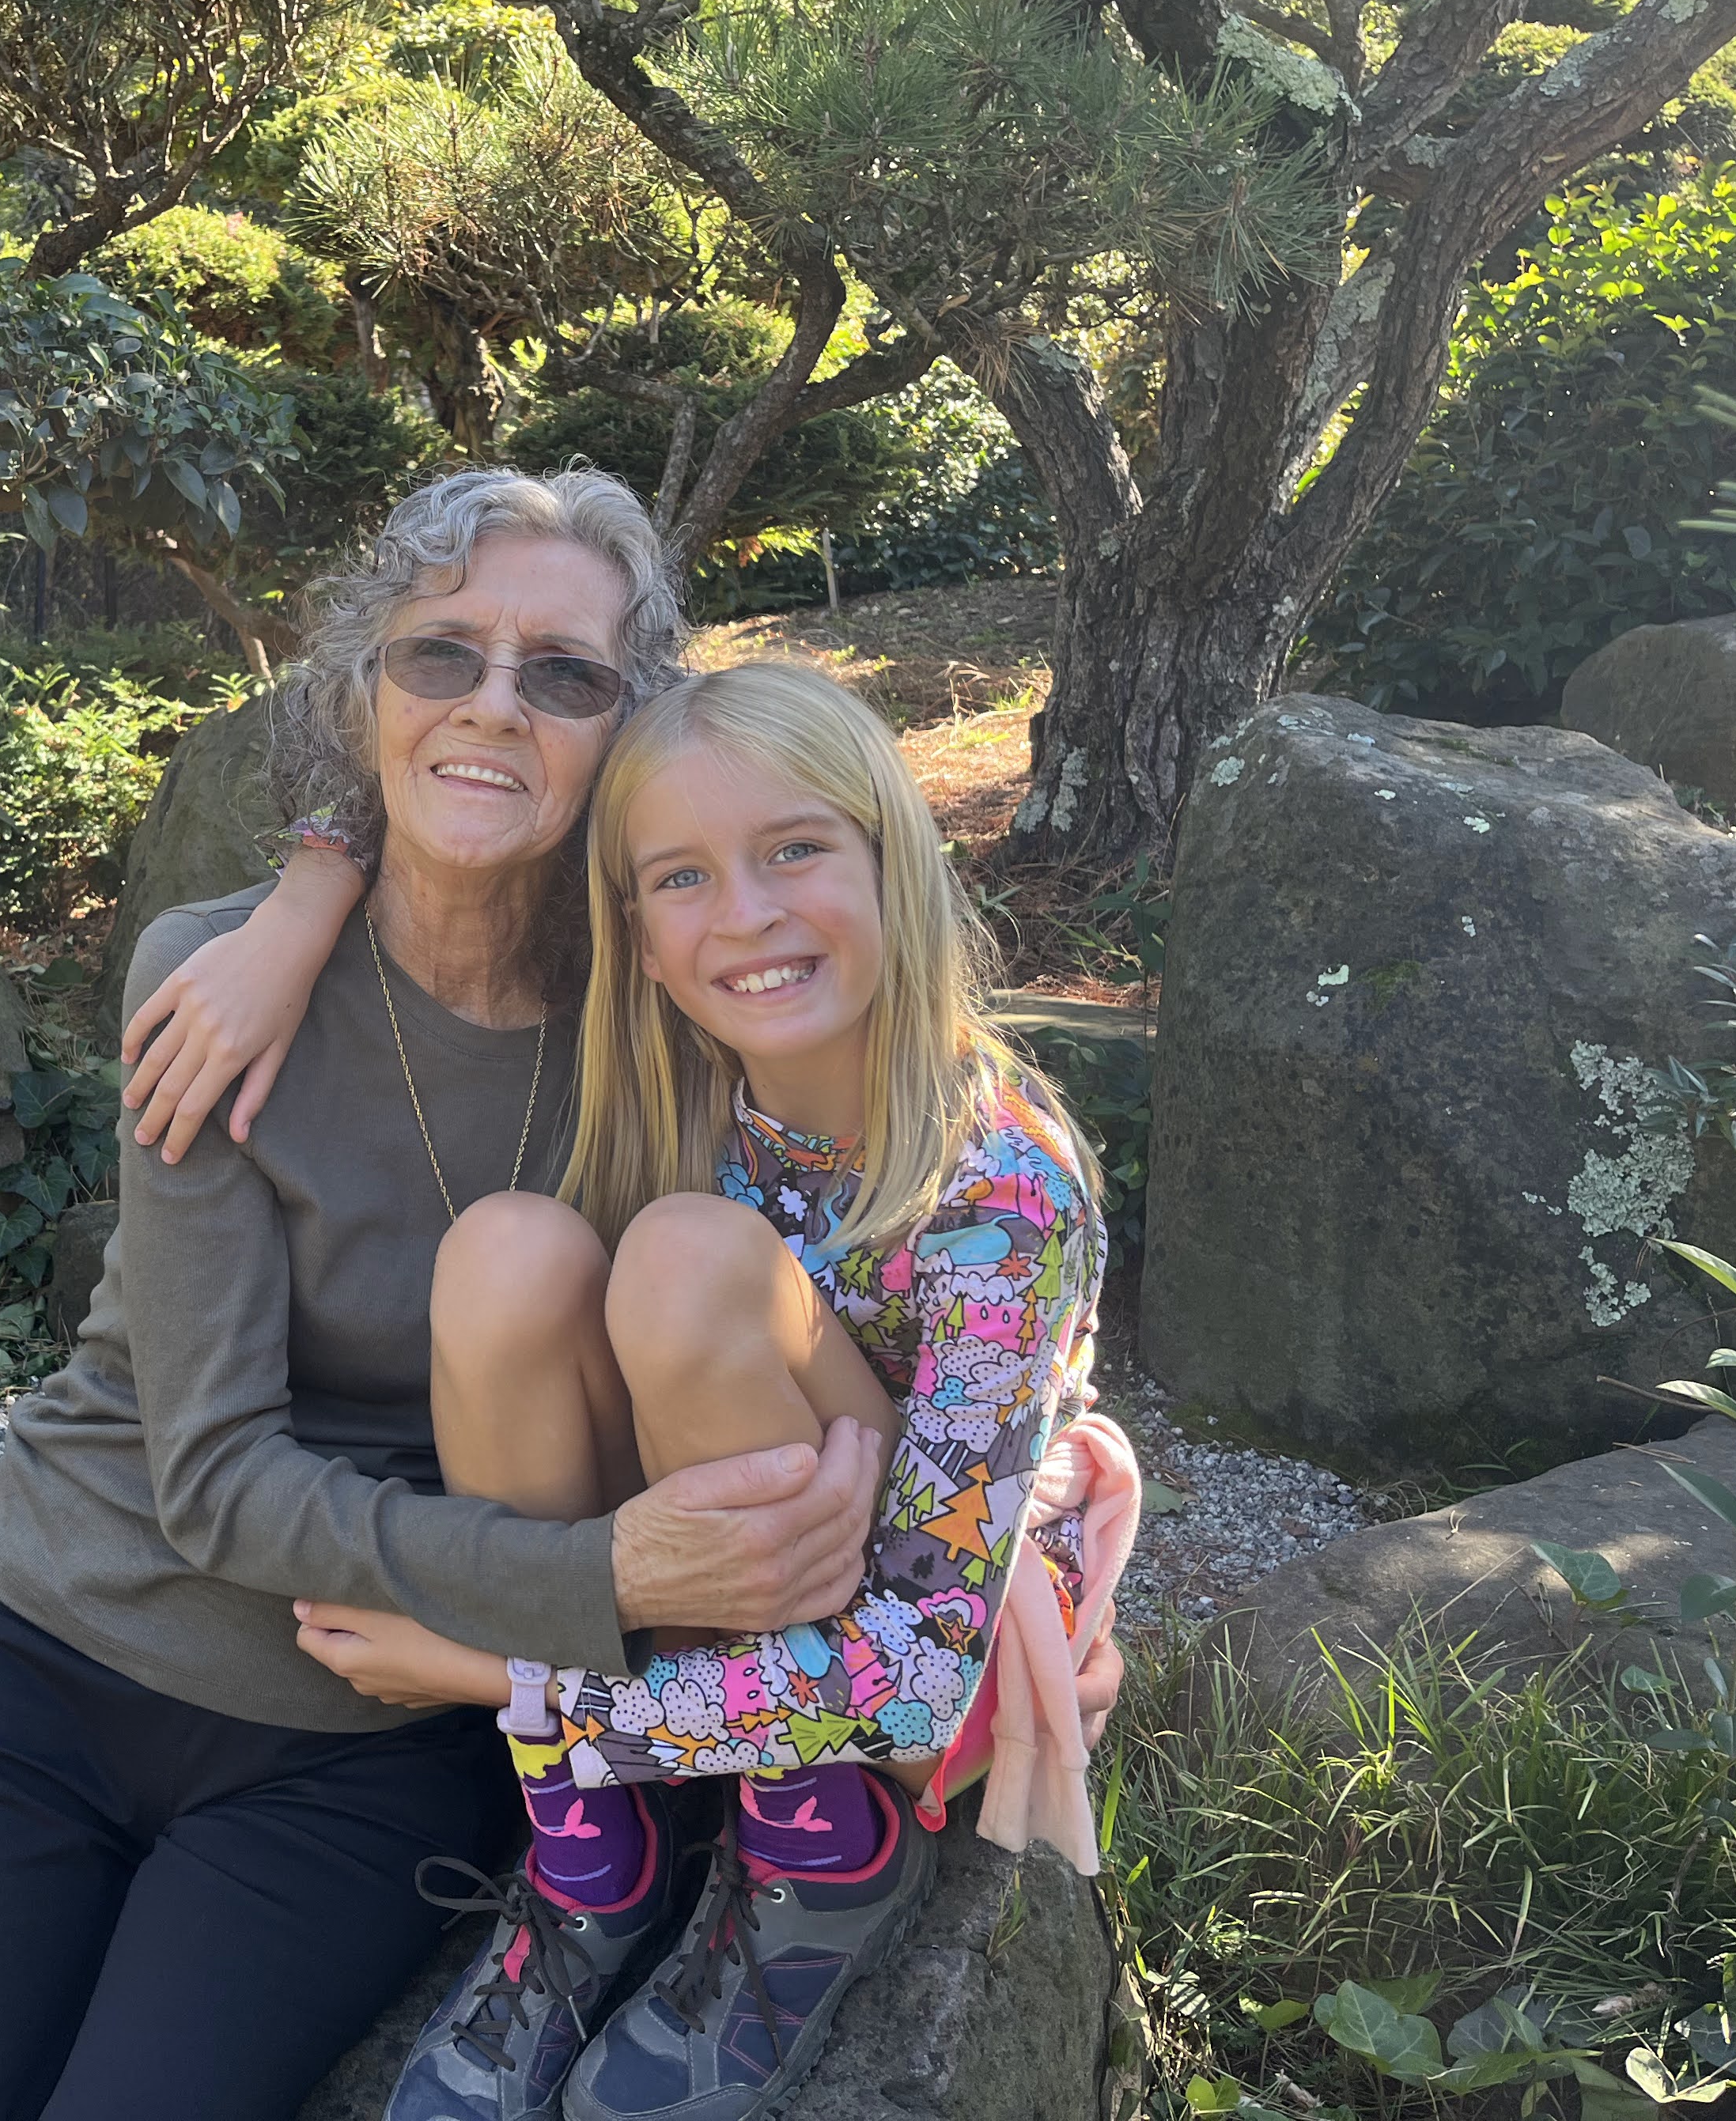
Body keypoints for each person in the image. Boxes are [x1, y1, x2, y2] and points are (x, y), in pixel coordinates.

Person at [0, 474, 894, 2121]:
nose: (493, 704)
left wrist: (1043, 1455)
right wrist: (601, 1572)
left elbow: (892, 1217)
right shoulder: (219, 973)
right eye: (438, 656)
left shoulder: (674, 1002)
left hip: (360, 1738)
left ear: (631, 725)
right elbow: (208, 1478)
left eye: (564, 674)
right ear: (362, 693)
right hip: (46, 1661)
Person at [147, 663, 1125, 2121]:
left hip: (925, 1670)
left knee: (680, 1259)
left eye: (798, 848)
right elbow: (435, 816)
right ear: (640, 946)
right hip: (729, 1578)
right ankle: (600, 1856)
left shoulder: (998, 1194)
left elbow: (919, 1670)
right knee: (507, 1251)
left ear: (894, 863)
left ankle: (817, 1856)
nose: (746, 915)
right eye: (682, 877)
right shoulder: (671, 1092)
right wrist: (300, 902)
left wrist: (498, 1678)